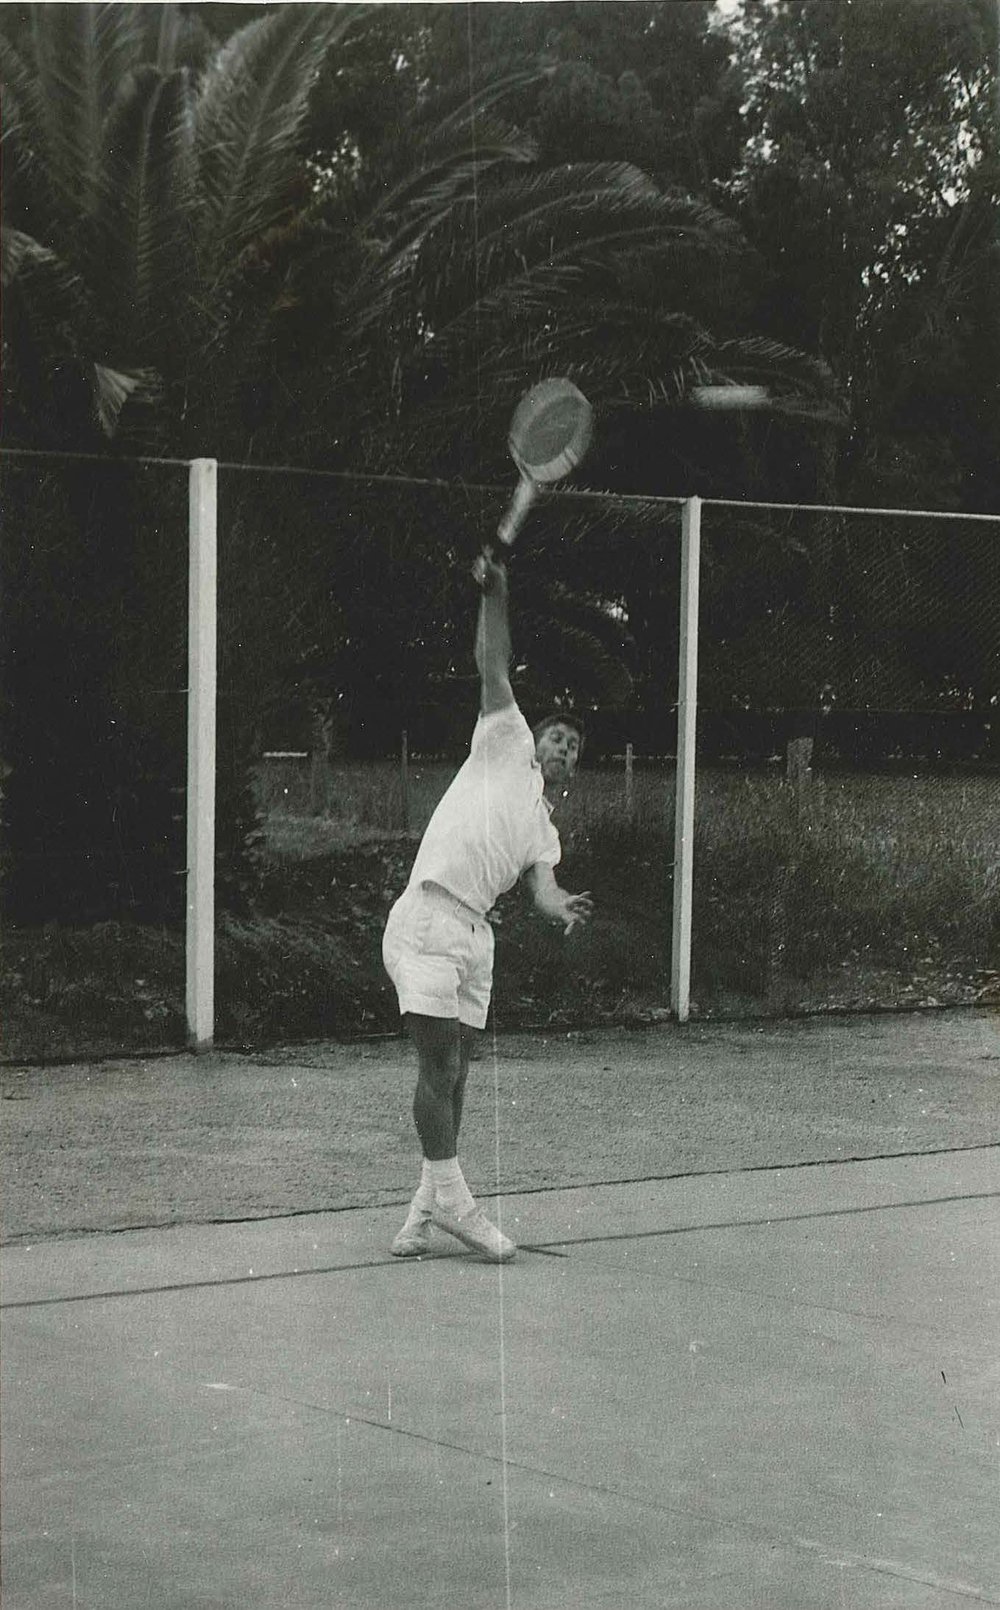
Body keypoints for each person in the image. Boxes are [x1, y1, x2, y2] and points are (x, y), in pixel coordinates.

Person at [382, 545, 593, 1263]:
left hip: (476, 937)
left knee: (458, 1075)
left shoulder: (544, 827)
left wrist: (560, 903)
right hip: (428, 918)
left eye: (572, 746)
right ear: (539, 737)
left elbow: (542, 888)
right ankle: (457, 1205)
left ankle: (422, 1210)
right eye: (557, 735)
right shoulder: (505, 740)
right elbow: (492, 661)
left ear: (574, 766)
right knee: (437, 1071)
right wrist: (494, 595)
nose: (561, 747)